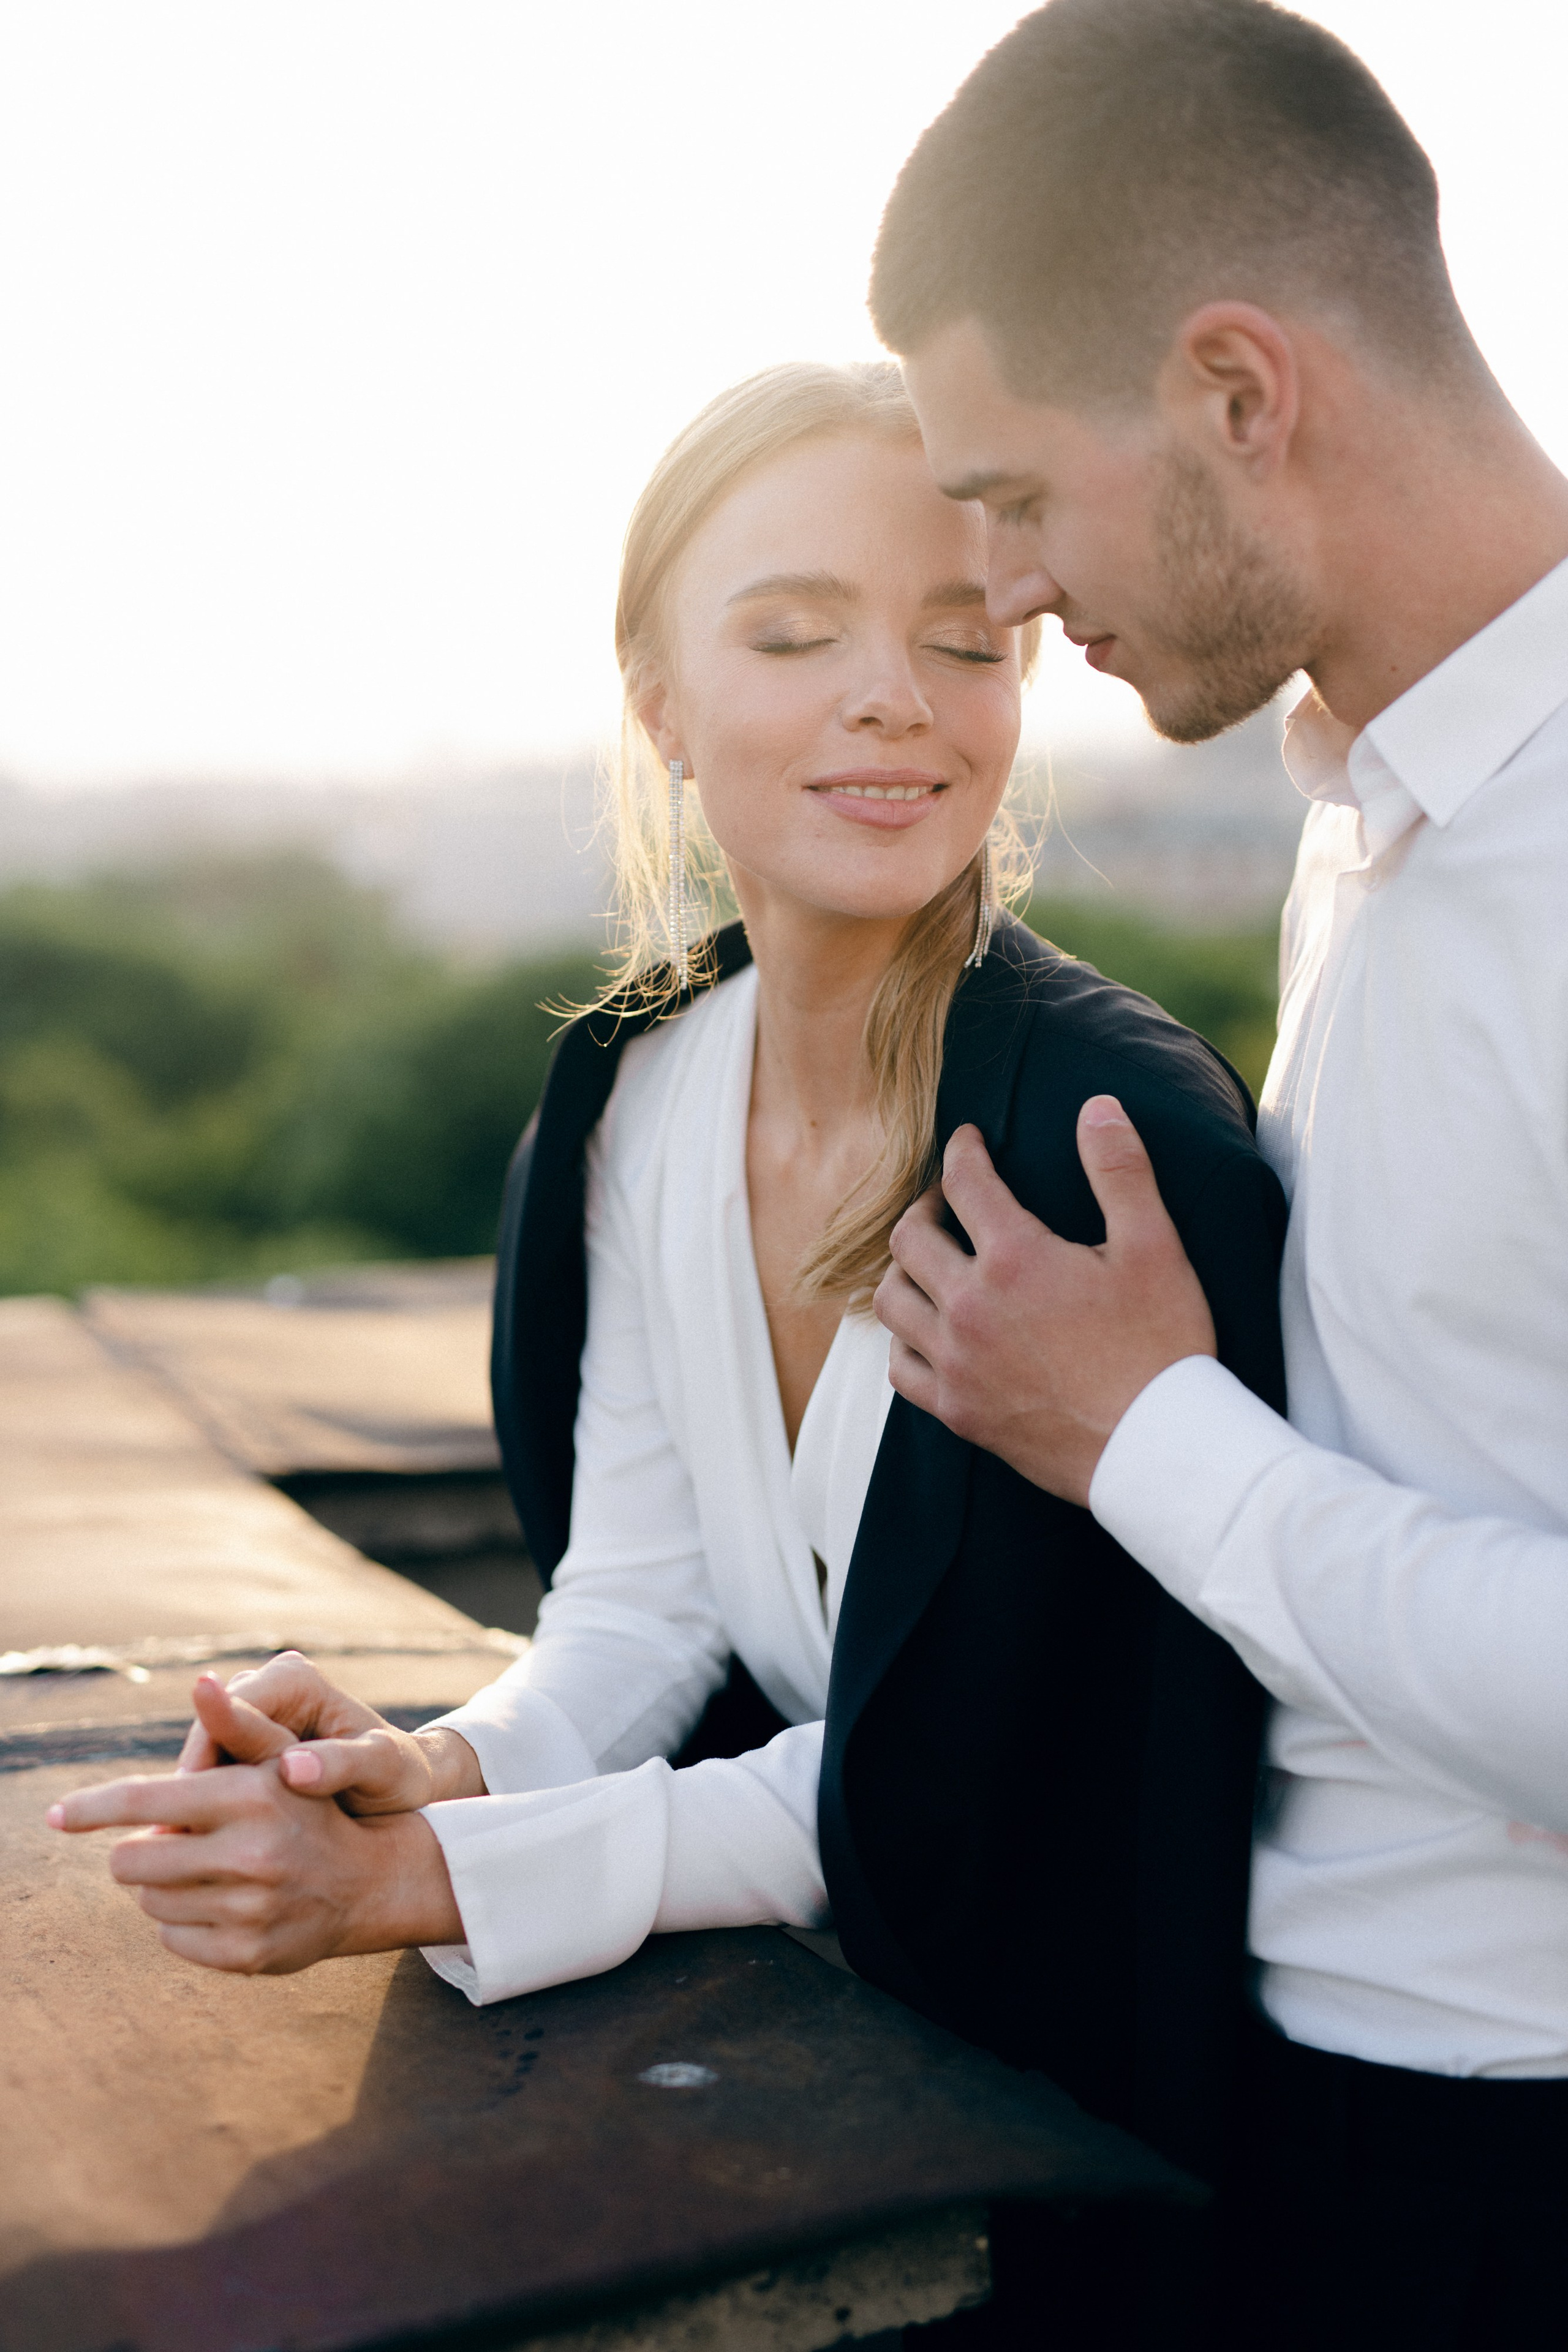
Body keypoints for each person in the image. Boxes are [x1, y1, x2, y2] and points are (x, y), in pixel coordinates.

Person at [50, 361, 1286, 2259]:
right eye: (794, 634)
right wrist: (442, 1767)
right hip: (831, 2049)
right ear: (660, 704)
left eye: (964, 640)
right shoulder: (636, 1093)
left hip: (1108, 2145)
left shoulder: (1110, 1148)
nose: (893, 694)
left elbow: (971, 1774)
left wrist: (426, 1879)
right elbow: (644, 1604)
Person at [864, 3, 1568, 2346]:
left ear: (1238, 392)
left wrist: (1141, 1434)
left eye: (1014, 495)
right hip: (1299, 2101)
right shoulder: (1376, 800)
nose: (998, 589)